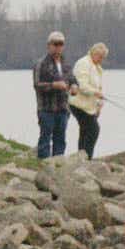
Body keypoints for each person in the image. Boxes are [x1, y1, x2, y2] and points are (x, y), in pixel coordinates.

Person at [32, 30, 78, 158]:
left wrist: (74, 86)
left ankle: (58, 167)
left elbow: (73, 79)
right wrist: (54, 85)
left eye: (60, 44)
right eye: (55, 44)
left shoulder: (66, 63)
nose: (58, 47)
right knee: (45, 139)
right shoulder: (40, 64)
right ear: (49, 45)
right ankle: (43, 166)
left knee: (60, 140)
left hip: (63, 109)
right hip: (46, 109)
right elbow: (37, 85)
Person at [68, 42, 108, 158]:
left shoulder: (97, 68)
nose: (101, 60)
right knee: (93, 130)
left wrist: (99, 104)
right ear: (93, 53)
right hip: (78, 104)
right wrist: (96, 93)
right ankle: (87, 158)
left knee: (86, 130)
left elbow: (98, 87)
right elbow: (82, 85)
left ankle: (82, 158)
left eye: (103, 58)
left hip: (90, 107)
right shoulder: (83, 63)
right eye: (100, 57)